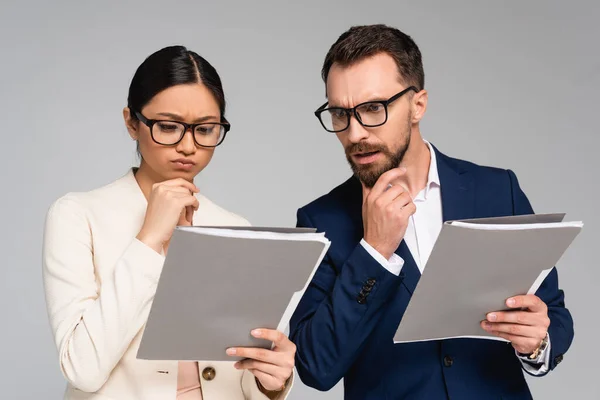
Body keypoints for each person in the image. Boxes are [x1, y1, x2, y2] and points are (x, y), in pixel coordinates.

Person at [289, 24, 573, 399]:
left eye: (373, 109)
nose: (355, 132)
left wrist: (536, 342)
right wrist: (373, 252)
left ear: (417, 105)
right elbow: (315, 365)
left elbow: (553, 316)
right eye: (340, 114)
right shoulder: (321, 221)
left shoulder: (496, 191)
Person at [42, 45, 294, 400]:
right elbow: (83, 368)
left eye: (205, 129)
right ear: (132, 122)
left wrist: (273, 381)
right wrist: (148, 240)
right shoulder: (77, 215)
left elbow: (246, 368)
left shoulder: (236, 226)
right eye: (169, 126)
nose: (188, 146)